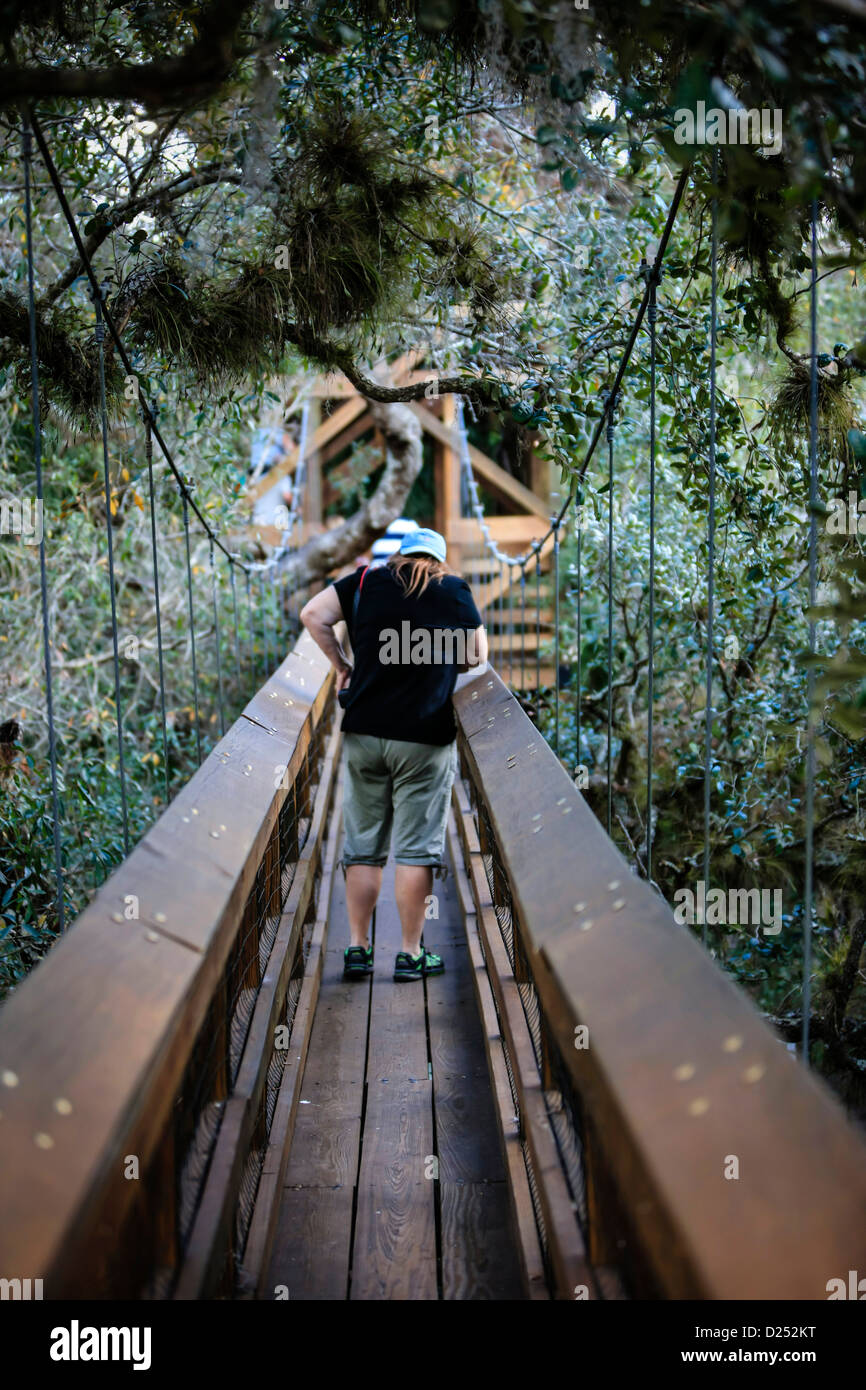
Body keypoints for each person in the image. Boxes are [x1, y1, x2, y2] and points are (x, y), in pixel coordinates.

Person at [300, 527, 488, 982]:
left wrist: (342, 664)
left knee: (363, 846)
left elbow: (312, 615)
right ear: (439, 561)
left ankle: (358, 950)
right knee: (416, 851)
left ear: (400, 557)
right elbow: (478, 655)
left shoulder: (365, 580)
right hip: (423, 737)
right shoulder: (453, 590)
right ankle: (409, 954)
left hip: (364, 732)